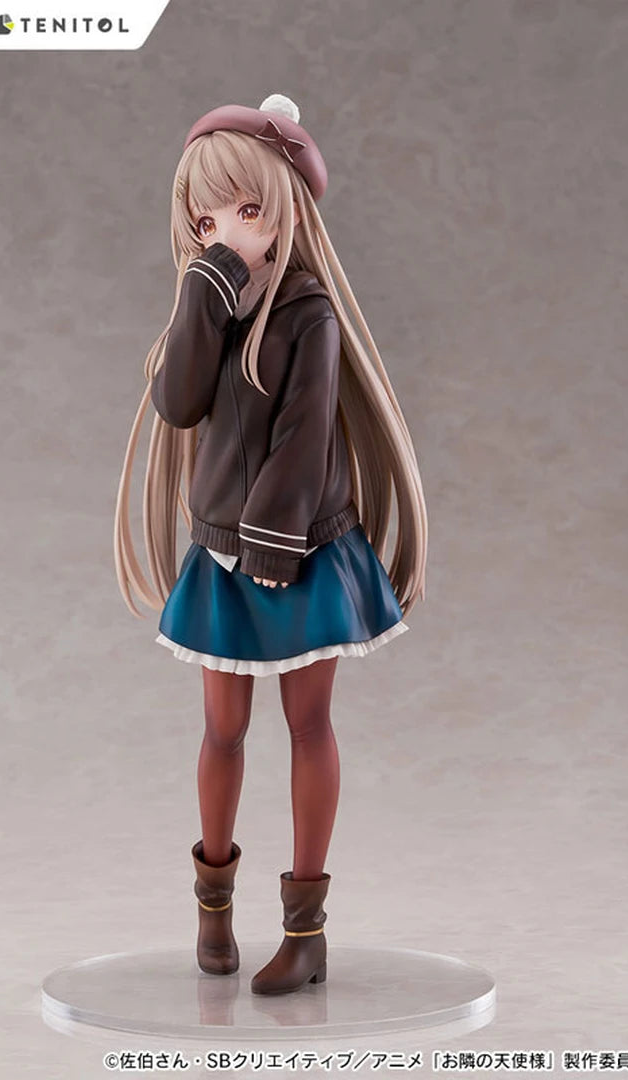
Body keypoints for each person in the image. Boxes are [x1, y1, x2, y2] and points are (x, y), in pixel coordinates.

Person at [114, 94, 428, 995]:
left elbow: (303, 438)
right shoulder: (210, 298)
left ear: (285, 208)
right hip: (222, 550)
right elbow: (178, 403)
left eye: (247, 210)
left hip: (302, 548)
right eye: (207, 217)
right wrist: (205, 286)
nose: (227, 230)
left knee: (308, 725)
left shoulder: (309, 312)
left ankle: (305, 931)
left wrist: (274, 548)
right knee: (221, 729)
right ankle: (212, 910)